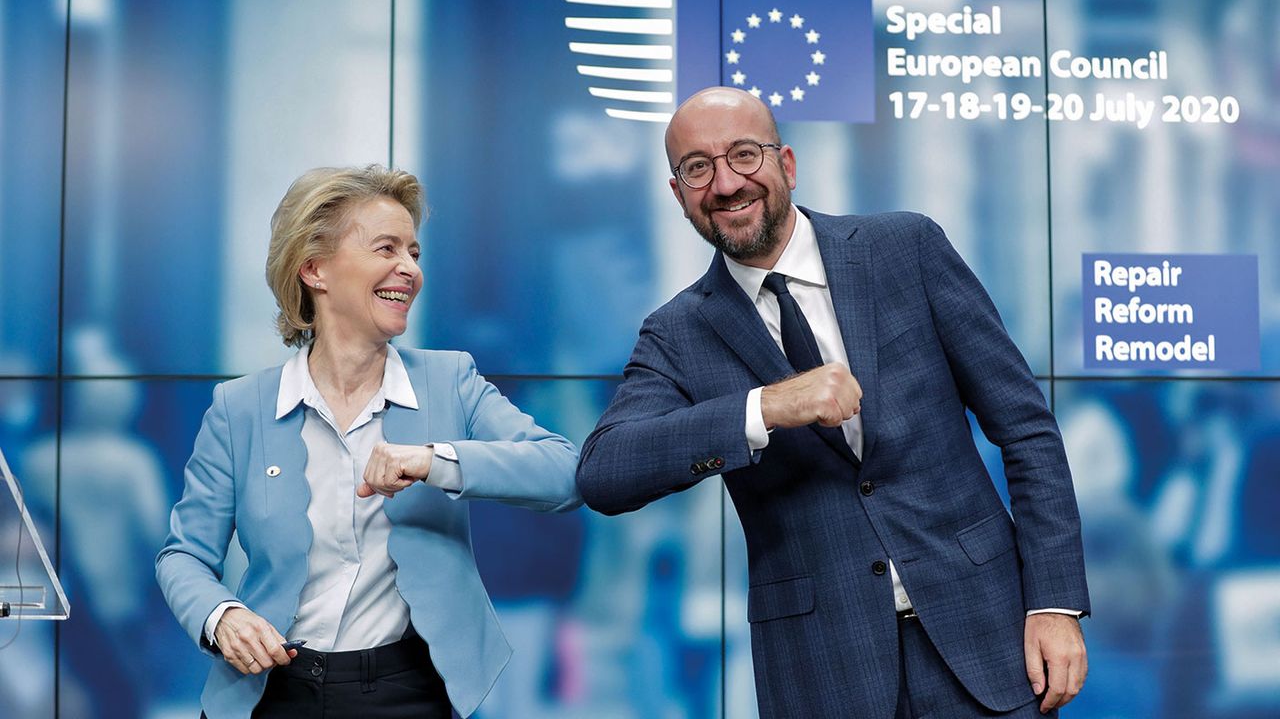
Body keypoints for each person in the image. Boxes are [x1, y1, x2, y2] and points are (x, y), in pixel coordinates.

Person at [576, 87, 1090, 718]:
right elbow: (604, 472)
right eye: (697, 168)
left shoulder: (907, 249)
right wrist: (762, 408)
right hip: (822, 673)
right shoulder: (677, 333)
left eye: (744, 155)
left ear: (786, 164)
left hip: (989, 639)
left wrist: (1054, 603)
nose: (726, 183)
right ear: (680, 195)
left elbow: (1026, 429)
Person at [156, 165, 581, 719]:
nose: (409, 269)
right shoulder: (240, 409)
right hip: (270, 691)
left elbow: (564, 472)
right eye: (387, 249)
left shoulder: (451, 380)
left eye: (414, 252)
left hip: (408, 690)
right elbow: (183, 555)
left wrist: (436, 460)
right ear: (315, 269)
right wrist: (221, 616)